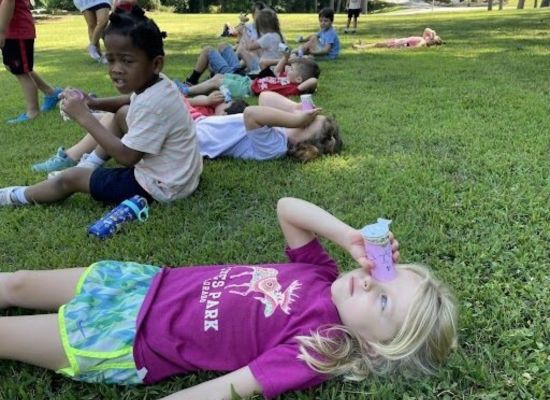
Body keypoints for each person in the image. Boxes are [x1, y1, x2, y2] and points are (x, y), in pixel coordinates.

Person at [0, 196, 458, 399]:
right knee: (17, 282)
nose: (370, 282)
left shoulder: (318, 350)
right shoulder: (323, 272)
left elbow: (228, 389)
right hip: (141, 284)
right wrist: (349, 237)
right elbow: (287, 208)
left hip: (130, 339)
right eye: (384, 273)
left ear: (378, 347)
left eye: (383, 303)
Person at [0, 7, 202, 207]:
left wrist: (84, 116)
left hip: (162, 186)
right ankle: (90, 163)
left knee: (71, 178)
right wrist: (95, 103)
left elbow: (127, 157)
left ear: (156, 64)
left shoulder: (153, 104)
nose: (116, 69)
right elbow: (129, 100)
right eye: (110, 59)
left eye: (127, 61)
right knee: (121, 114)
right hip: (181, 173)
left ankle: (14, 195)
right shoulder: (159, 84)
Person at [0, 0, 62, 124]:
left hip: (17, 33)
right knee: (15, 67)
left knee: (21, 71)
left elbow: (8, 2)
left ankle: (33, 111)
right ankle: (50, 93)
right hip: (13, 32)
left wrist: (1, 31)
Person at [180, 54, 320, 100]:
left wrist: (311, 82)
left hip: (248, 89)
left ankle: (186, 91)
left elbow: (313, 81)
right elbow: (278, 69)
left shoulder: (293, 88)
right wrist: (286, 58)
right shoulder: (286, 77)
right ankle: (193, 89)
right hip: (249, 81)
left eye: (292, 69)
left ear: (299, 80)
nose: (288, 68)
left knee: (217, 81)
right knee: (219, 75)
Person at [236, 7, 285, 73]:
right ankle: (241, 67)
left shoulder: (268, 37)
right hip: (274, 67)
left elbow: (249, 47)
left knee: (241, 50)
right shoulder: (277, 35)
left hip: (264, 69)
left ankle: (235, 69)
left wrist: (244, 32)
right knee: (254, 51)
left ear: (262, 26)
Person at [352, 28, 443, 49]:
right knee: (380, 43)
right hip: (399, 41)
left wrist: (399, 48)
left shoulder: (423, 42)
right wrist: (432, 33)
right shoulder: (424, 39)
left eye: (431, 38)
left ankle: (360, 47)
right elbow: (426, 29)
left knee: (378, 44)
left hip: (398, 44)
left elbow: (412, 48)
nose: (429, 36)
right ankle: (364, 44)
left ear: (431, 41)